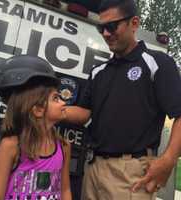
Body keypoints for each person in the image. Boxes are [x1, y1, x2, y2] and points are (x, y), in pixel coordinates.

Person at [64, 0, 181, 199]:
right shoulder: (99, 72)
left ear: (134, 23)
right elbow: (84, 113)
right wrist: (45, 109)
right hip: (93, 168)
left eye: (112, 26)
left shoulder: (157, 62)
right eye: (101, 28)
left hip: (131, 173)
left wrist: (168, 159)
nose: (106, 34)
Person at [0, 55, 72, 200]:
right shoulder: (11, 146)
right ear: (38, 110)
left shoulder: (64, 146)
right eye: (56, 98)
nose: (63, 103)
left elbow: (65, 190)